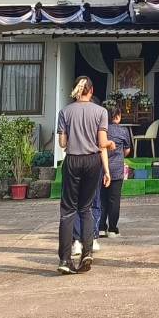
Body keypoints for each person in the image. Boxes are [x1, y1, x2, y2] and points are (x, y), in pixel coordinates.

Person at [56, 76, 111, 275]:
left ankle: (65, 259)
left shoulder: (65, 112)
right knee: (86, 208)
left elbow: (62, 143)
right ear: (91, 90)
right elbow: (102, 142)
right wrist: (110, 146)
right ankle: (87, 253)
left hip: (72, 160)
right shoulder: (101, 112)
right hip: (92, 161)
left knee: (68, 210)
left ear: (76, 90)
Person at [94, 103, 132, 238]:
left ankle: (100, 228)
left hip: (100, 168)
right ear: (118, 116)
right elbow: (127, 150)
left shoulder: (100, 130)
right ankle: (112, 229)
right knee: (114, 200)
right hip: (116, 169)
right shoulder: (123, 131)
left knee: (101, 199)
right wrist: (119, 154)